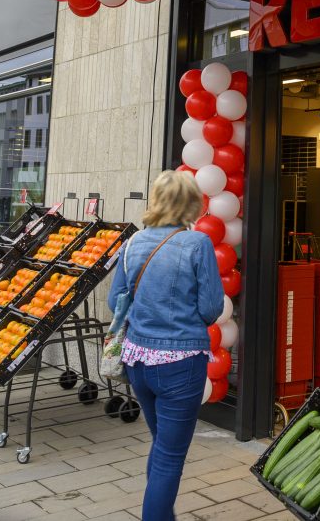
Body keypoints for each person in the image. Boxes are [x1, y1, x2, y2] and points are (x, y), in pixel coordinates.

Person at [108, 171, 223, 521]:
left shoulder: (132, 244)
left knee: (162, 449)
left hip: (138, 360)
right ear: (191, 204)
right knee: (170, 457)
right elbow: (211, 308)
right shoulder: (197, 244)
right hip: (181, 364)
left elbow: (116, 302)